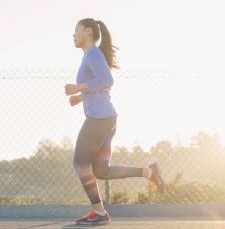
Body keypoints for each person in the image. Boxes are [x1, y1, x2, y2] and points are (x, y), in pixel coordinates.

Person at [64, 18, 165, 225]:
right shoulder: (91, 55)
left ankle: (100, 214)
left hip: (99, 119)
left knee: (80, 164)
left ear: (89, 32)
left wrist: (79, 87)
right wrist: (80, 97)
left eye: (77, 30)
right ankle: (149, 172)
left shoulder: (92, 54)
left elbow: (107, 81)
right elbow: (100, 85)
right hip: (107, 118)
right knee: (101, 170)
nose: (73, 34)